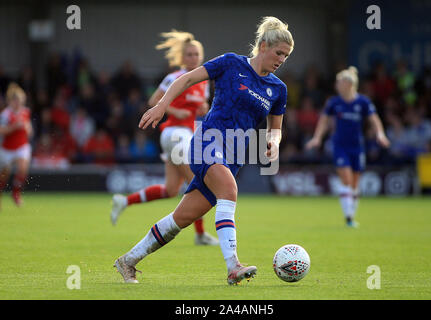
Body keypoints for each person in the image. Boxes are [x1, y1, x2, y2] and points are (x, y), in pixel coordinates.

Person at [114, 16, 293, 284]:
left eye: (286, 56)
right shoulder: (231, 63)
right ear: (263, 45)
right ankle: (233, 266)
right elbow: (187, 79)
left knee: (180, 219)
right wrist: (162, 105)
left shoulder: (278, 89)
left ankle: (127, 261)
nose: (281, 60)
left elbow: (275, 128)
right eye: (279, 52)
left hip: (232, 157)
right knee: (230, 191)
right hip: (208, 141)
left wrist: (274, 143)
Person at [110, 31, 219, 246]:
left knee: (171, 189)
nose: (193, 58)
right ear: (182, 58)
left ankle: (124, 201)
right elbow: (153, 100)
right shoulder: (174, 77)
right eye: (188, 54)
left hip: (184, 136)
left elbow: (201, 107)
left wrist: (204, 108)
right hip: (175, 134)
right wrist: (173, 111)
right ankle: (200, 235)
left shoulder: (203, 82)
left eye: (196, 54)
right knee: (198, 184)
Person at [306, 66, 390, 227]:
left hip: (357, 147)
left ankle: (351, 214)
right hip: (339, 146)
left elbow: (374, 119)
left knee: (355, 184)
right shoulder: (334, 102)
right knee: (346, 178)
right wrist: (317, 138)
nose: (337, 86)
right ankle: (349, 217)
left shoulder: (363, 102)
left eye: (339, 83)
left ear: (349, 85)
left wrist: (380, 134)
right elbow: (324, 120)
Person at [0, 83, 33, 209]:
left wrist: (27, 128)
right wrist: (14, 127)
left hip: (21, 146)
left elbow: (29, 130)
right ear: (11, 101)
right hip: (7, 148)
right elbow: (1, 130)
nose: (19, 103)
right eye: (16, 100)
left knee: (23, 168)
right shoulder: (5, 114)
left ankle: (16, 193)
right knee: (4, 174)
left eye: (21, 100)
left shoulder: (25, 112)